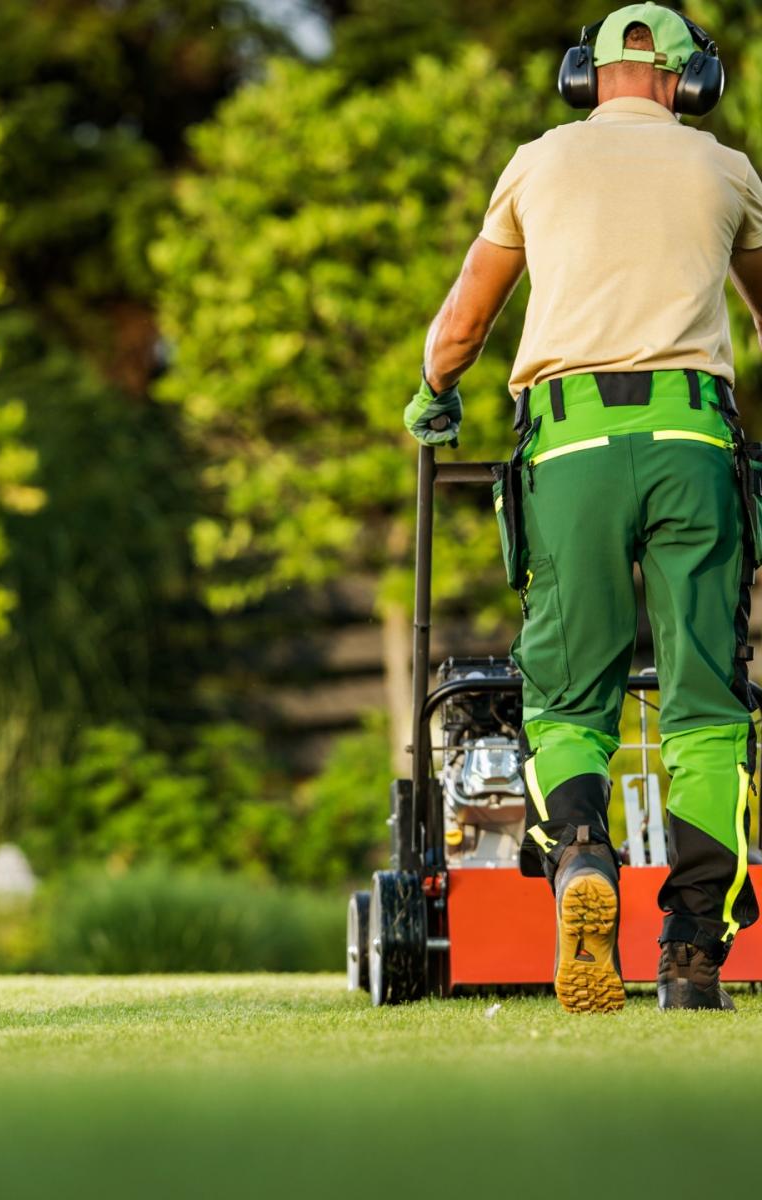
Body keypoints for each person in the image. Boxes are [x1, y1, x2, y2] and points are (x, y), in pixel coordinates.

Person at [402, 3, 762, 1012]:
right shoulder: (724, 169)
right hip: (694, 443)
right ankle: (691, 956)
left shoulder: (537, 163)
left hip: (567, 450)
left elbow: (463, 323)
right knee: (704, 707)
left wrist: (435, 393)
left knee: (565, 697)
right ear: (694, 83)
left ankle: (582, 857)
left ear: (582, 77)